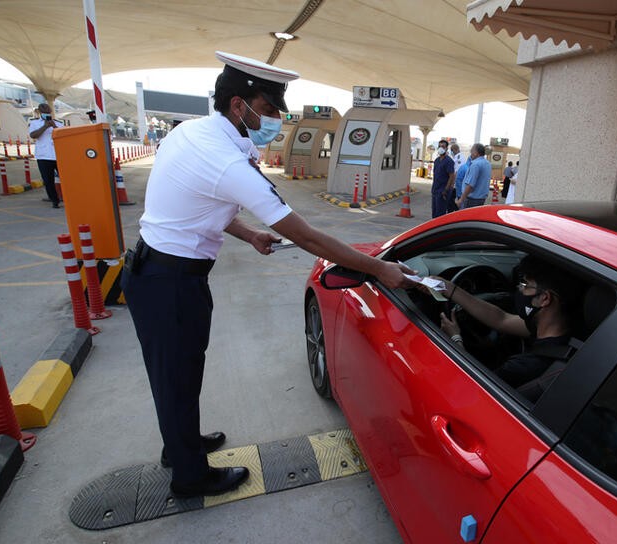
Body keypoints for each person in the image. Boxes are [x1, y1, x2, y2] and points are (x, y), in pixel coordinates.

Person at [120, 51, 416, 499]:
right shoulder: (227, 161)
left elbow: (197, 206)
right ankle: (189, 476)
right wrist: (378, 268)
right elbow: (309, 237)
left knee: (176, 373)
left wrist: (249, 234)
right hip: (171, 284)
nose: (275, 118)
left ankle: (179, 445)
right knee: (177, 374)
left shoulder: (191, 134)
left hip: (159, 275)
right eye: (269, 108)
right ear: (239, 106)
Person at [433, 255, 580, 388]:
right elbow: (501, 319)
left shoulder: (525, 366)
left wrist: (455, 338)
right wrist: (447, 287)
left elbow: (473, 387)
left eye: (525, 285)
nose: (519, 290)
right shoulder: (565, 331)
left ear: (545, 298)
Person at [28, 103, 63, 208]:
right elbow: (33, 135)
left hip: (58, 155)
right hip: (43, 156)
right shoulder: (34, 123)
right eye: (43, 112)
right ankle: (54, 200)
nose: (46, 113)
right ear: (39, 112)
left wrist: (54, 126)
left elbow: (63, 135)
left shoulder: (59, 123)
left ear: (50, 111)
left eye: (47, 111)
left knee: (65, 179)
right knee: (48, 181)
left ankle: (69, 197)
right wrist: (45, 126)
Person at [455, 143, 491, 209]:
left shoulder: (475, 164)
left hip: (471, 200)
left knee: (466, 218)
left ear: (476, 152)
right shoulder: (487, 163)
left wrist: (461, 200)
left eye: (471, 151)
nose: (470, 154)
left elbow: (470, 185)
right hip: (481, 199)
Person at [431, 139, 456, 218]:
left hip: (442, 191)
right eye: (440, 146)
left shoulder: (449, 161)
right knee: (434, 212)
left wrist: (446, 190)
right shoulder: (437, 161)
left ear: (446, 148)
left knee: (440, 214)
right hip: (435, 190)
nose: (441, 148)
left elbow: (451, 176)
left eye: (443, 146)